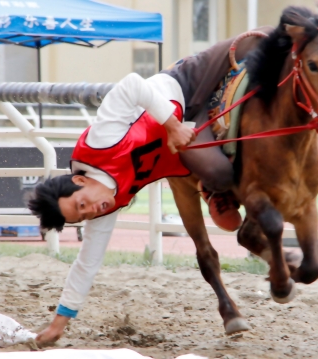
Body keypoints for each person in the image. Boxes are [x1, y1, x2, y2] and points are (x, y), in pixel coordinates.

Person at [29, 29, 271, 346]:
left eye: (81, 205)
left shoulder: (100, 142)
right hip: (189, 147)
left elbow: (132, 84)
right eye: (82, 217)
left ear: (79, 180)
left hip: (185, 86)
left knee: (255, 45)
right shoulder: (105, 205)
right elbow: (86, 263)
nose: (92, 211)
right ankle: (214, 190)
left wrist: (171, 125)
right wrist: (59, 324)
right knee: (220, 174)